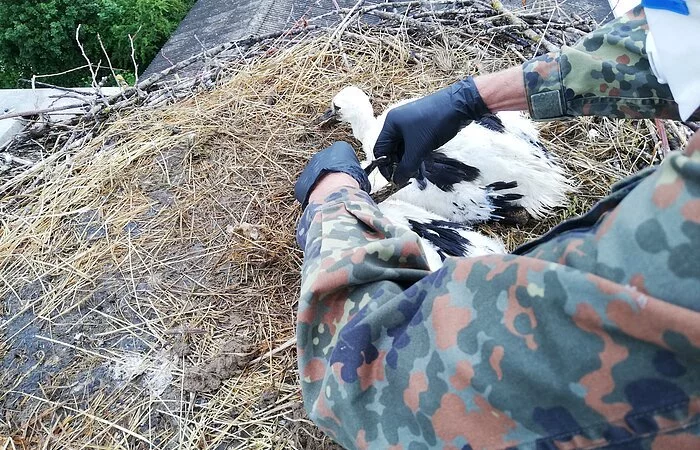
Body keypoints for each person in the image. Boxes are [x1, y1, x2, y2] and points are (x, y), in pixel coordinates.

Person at [293, 5, 700, 449]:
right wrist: (476, 97)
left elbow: (375, 385)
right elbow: (672, 57)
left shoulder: (675, 247)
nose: (649, 28)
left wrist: (330, 199)